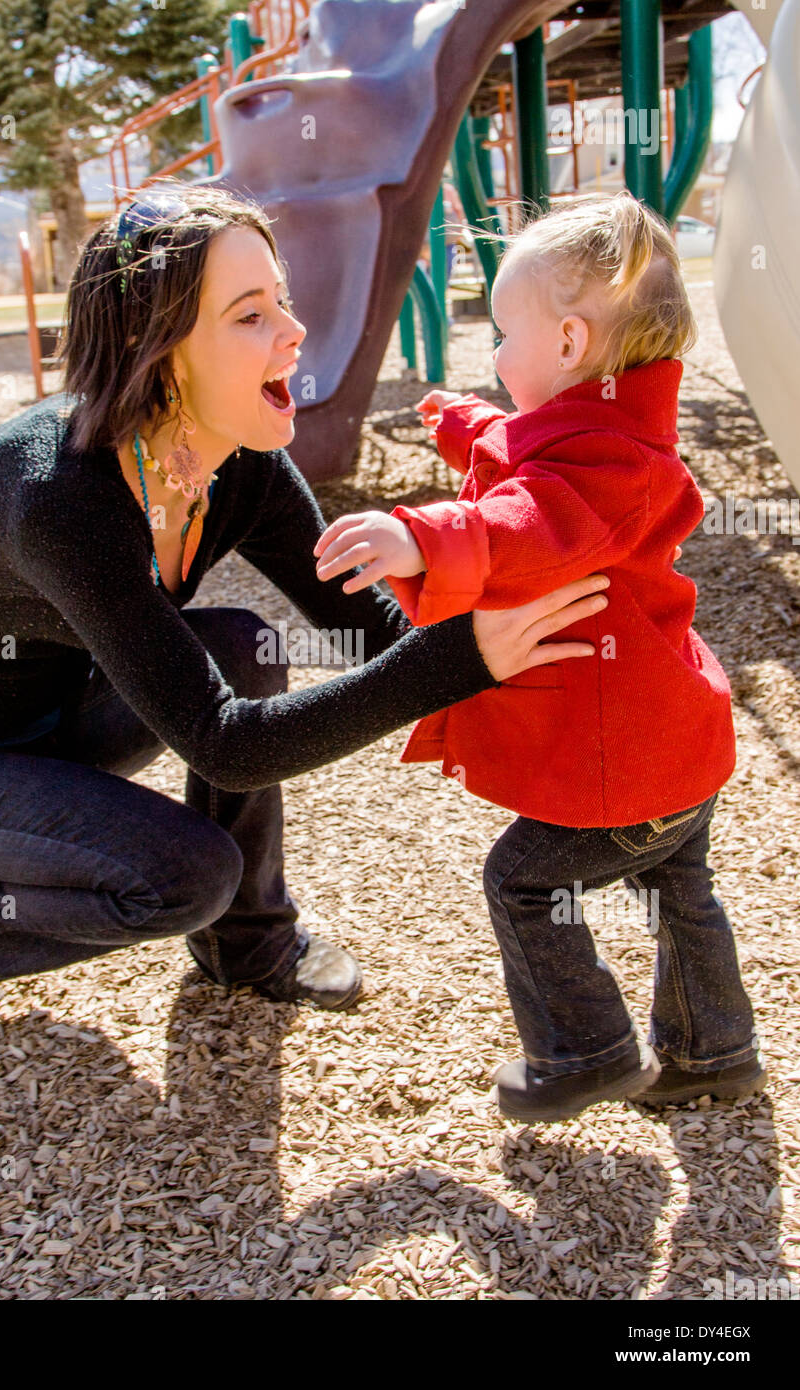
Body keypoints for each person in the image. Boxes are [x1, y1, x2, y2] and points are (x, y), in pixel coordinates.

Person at [0, 182, 610, 1035]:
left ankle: (248, 946)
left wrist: (529, 647)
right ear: (154, 342)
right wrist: (459, 660)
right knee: (181, 877)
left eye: (281, 301)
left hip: (73, 710)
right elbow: (228, 747)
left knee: (242, 642)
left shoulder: (240, 464)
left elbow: (363, 627)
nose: (293, 331)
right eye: (250, 315)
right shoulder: (58, 495)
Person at [314, 191, 765, 1120]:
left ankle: (586, 1050)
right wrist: (462, 423)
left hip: (632, 765)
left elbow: (532, 518)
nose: (496, 356)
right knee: (682, 894)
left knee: (523, 881)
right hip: (675, 745)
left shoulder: (610, 471)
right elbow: (528, 452)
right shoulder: (610, 431)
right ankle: (715, 1047)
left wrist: (424, 539)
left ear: (566, 344)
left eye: (502, 338)